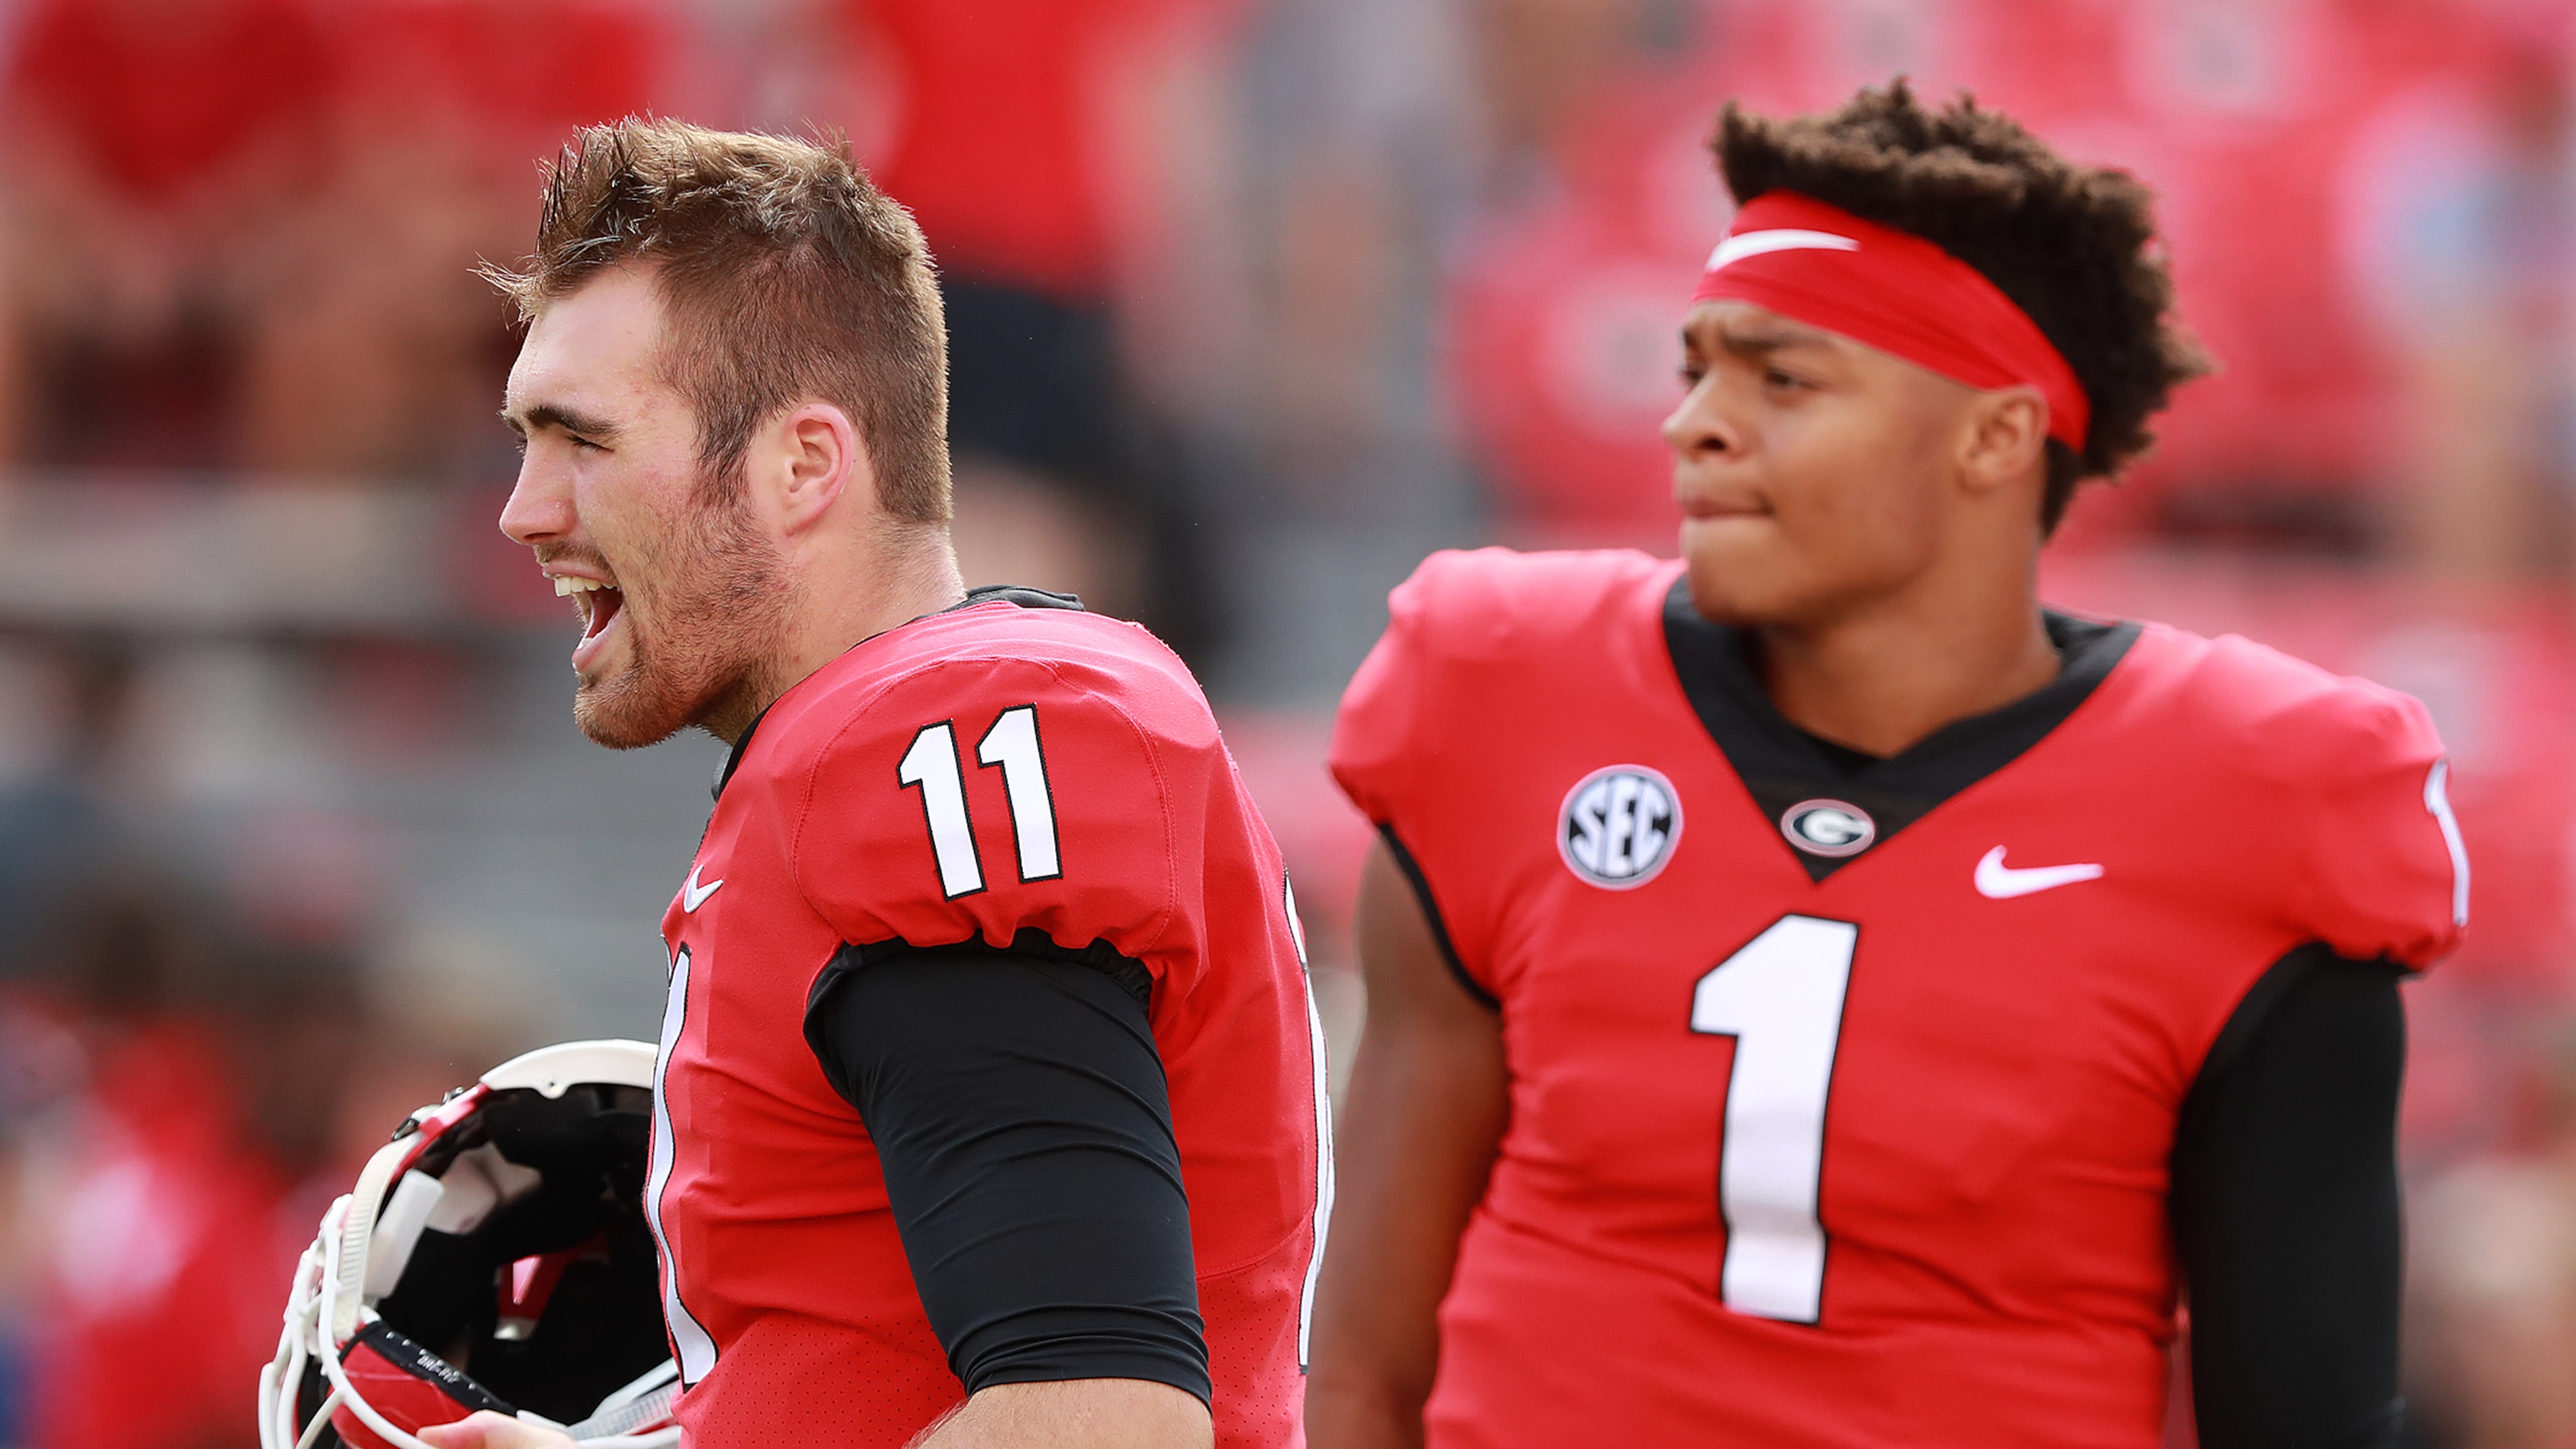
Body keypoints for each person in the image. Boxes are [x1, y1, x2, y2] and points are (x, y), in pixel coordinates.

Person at [1306, 83, 2469, 1449]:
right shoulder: (1505, 686)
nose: (1694, 426)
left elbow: (2305, 1420)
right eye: (1697, 370)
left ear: (1996, 435)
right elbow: (1363, 1372)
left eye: (1781, 378)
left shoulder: (2257, 795)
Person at [426, 119, 1328, 1449]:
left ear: (803, 466)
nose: (525, 509)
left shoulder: (937, 742)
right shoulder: (858, 751)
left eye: (583, 441)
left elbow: (1102, 1422)